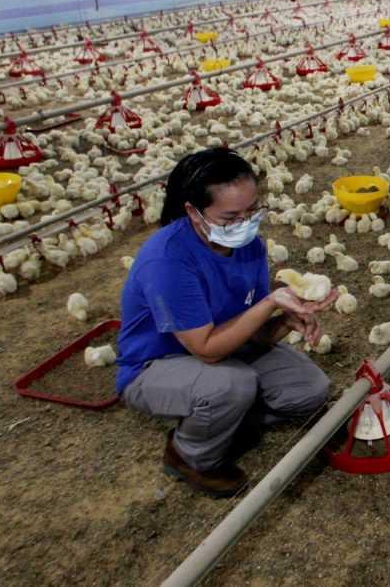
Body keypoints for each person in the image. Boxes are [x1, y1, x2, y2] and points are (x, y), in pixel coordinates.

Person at [116, 148, 337, 498]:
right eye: (231, 216)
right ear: (193, 211)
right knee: (231, 384)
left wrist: (285, 320)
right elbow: (207, 349)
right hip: (158, 363)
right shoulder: (169, 261)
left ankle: (225, 419)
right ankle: (190, 455)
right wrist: (269, 304)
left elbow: (250, 326)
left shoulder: (248, 245)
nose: (246, 222)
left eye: (252, 210)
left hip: (225, 347)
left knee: (310, 390)